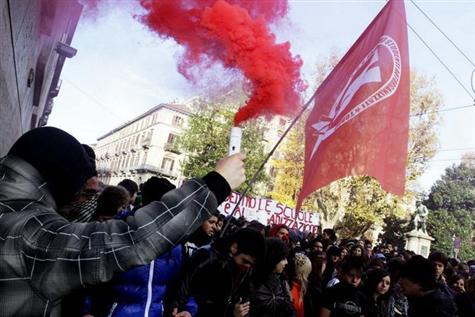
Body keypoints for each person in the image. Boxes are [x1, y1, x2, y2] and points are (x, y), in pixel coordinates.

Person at [0, 127, 246, 316]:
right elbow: (129, 241)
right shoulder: (26, 231)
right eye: (80, 183)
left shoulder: (14, 213)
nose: (91, 190)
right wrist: (215, 185)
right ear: (57, 176)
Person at [169, 228, 265, 317]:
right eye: (245, 261)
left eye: (251, 264)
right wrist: (185, 309)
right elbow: (184, 288)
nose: (247, 267)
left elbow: (230, 302)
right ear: (234, 248)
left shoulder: (244, 272)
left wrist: (234, 312)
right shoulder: (207, 258)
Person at [249, 237, 295, 317]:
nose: (286, 262)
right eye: (283, 258)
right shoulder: (250, 280)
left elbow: (289, 309)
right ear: (274, 257)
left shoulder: (283, 281)